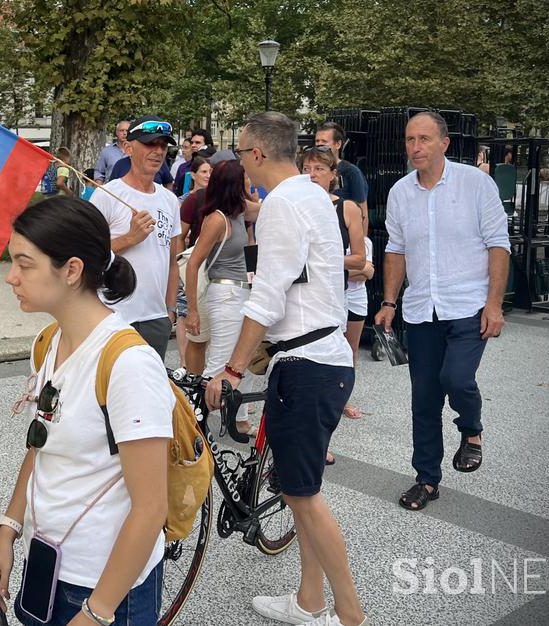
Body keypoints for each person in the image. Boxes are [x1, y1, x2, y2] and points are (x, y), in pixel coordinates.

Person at [206, 111, 367, 626]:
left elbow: (268, 297)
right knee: (301, 493)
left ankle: (350, 615)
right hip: (324, 357)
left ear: (255, 154)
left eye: (240, 153)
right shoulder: (312, 195)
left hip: (306, 363)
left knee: (305, 497)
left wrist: (231, 370)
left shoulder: (281, 205)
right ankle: (309, 601)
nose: (239, 163)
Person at [0, 195, 172, 626]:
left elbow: (150, 508)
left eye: (24, 264)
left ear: (71, 270)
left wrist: (97, 612)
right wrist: (7, 532)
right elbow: (40, 445)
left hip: (104, 587)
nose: (11, 277)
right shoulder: (49, 342)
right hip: (45, 565)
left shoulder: (128, 364)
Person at [374, 112, 510, 512]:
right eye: (410, 139)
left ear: (444, 144)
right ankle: (427, 479)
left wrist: (495, 304)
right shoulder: (400, 192)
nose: (415, 147)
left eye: (424, 139)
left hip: (469, 304)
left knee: (457, 378)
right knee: (425, 399)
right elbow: (395, 250)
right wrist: (388, 302)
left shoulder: (476, 184)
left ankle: (471, 430)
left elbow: (498, 245)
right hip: (421, 310)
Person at [300, 145, 371, 463]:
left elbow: (360, 258)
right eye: (306, 167)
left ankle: (322, 439)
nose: (311, 174)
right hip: (299, 297)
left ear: (333, 175)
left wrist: (324, 260)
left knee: (329, 372)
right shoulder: (295, 204)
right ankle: (298, 440)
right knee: (298, 372)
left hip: (333, 297)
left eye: (318, 168)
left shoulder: (348, 208)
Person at [91, 115, 180, 360]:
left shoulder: (169, 200)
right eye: (150, 144)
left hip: (156, 319)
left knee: (150, 394)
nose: (158, 151)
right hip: (113, 316)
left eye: (163, 145)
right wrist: (130, 238)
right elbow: (86, 254)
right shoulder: (107, 195)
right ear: (128, 148)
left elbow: (173, 262)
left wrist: (169, 311)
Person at [184, 160, 259, 437]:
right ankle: (194, 422)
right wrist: (192, 310)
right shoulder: (217, 219)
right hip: (225, 293)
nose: (251, 182)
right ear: (235, 184)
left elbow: (264, 209)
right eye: (246, 179)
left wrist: (251, 194)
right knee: (219, 362)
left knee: (246, 357)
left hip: (243, 291)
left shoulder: (239, 212)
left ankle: (238, 419)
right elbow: (193, 264)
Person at [176, 156, 213, 375]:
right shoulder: (187, 200)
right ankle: (184, 361)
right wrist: (181, 259)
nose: (208, 176)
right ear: (193, 175)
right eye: (204, 172)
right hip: (193, 263)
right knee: (186, 312)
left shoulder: (221, 199)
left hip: (212, 264)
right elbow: (180, 234)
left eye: (210, 172)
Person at [315, 121, 368, 227]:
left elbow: (363, 213)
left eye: (324, 141)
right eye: (317, 141)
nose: (319, 145)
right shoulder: (310, 171)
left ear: (338, 144)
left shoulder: (352, 172)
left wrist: (362, 241)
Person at [173, 129, 213, 195]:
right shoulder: (182, 167)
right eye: (192, 142)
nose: (193, 145)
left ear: (207, 146)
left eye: (197, 143)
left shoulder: (215, 166)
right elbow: (176, 190)